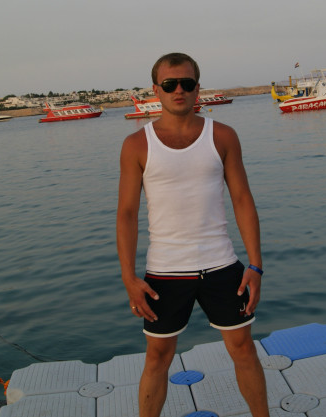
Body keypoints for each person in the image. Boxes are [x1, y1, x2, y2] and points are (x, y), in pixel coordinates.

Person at [116, 52, 269, 417]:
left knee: (244, 349)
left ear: (198, 88)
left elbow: (243, 200)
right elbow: (126, 214)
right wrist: (128, 277)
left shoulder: (223, 136)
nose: (179, 90)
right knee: (157, 358)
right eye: (170, 84)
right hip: (165, 271)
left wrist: (255, 265)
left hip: (221, 265)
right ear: (156, 90)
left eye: (186, 83)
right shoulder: (137, 145)